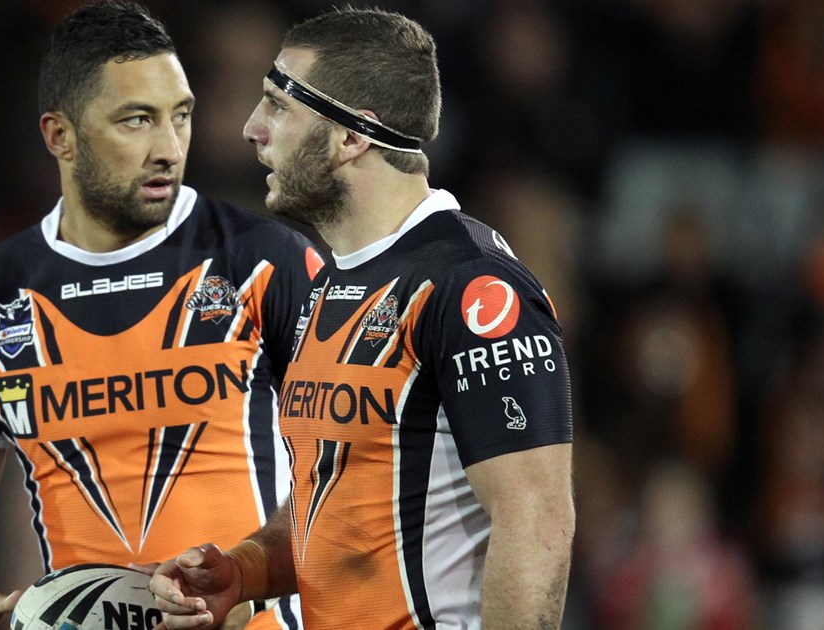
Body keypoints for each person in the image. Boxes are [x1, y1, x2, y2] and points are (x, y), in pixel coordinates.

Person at [146, 8, 575, 629]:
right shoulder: (331, 283)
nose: (252, 129)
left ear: (352, 136)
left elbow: (537, 522)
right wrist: (242, 571)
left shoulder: (472, 287)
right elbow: (343, 504)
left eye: (278, 106)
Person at [0, 2, 319, 629]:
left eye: (180, 117)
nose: (168, 148)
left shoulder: (264, 263)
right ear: (59, 136)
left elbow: (356, 469)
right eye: (136, 121)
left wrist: (247, 573)